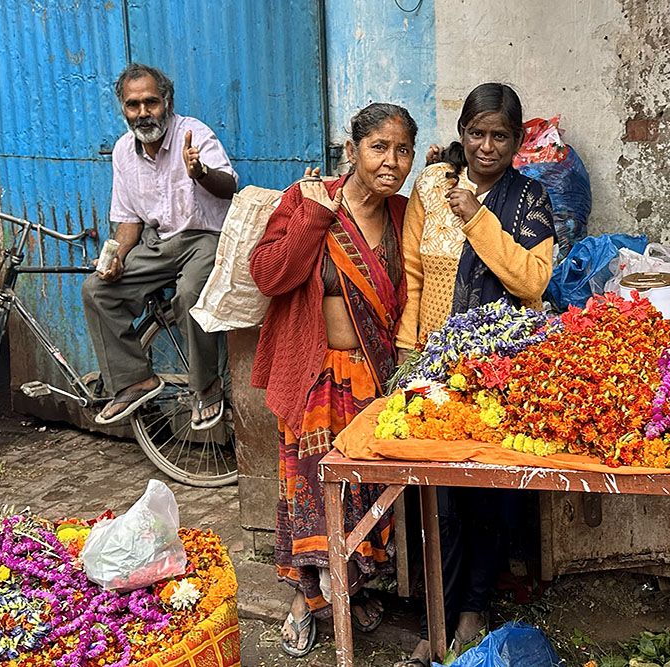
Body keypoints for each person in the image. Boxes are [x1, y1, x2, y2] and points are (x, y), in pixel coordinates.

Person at [394, 83, 556, 667]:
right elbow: (412, 273)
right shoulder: (432, 187)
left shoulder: (530, 198)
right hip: (434, 367)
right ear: (461, 134)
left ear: (517, 142)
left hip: (499, 370)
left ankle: (474, 608)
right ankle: (436, 615)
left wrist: (479, 219)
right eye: (477, 133)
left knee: (486, 493)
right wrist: (408, 354)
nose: (487, 147)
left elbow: (532, 281)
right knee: (436, 498)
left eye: (501, 136)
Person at [248, 103, 418, 657]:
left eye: (403, 150)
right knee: (311, 493)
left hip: (374, 378)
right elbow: (271, 275)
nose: (392, 161)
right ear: (352, 150)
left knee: (367, 495)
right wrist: (315, 216)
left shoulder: (400, 215)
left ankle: (351, 589)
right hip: (315, 375)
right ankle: (306, 599)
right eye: (379, 148)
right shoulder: (307, 200)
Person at [82, 63, 237, 430]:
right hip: (158, 242)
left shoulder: (193, 134)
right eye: (133, 105)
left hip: (204, 238)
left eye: (150, 102)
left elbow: (229, 186)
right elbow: (128, 220)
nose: (142, 113)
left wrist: (199, 172)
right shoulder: (123, 151)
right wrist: (117, 256)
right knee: (97, 290)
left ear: (166, 101)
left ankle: (207, 387)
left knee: (189, 294)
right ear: (123, 107)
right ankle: (136, 380)